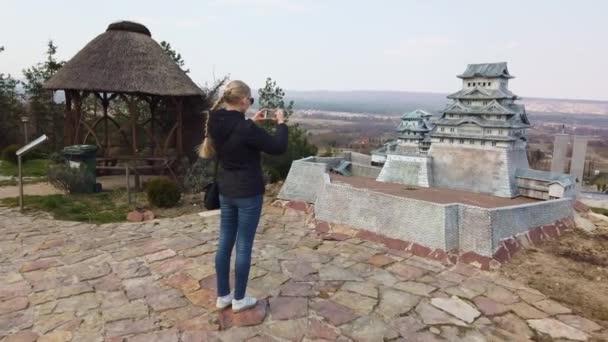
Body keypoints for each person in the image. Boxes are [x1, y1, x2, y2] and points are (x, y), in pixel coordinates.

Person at [199, 80, 288, 312]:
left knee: (225, 241)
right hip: (248, 192)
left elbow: (235, 136)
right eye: (250, 98)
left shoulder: (216, 121)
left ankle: (223, 296)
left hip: (226, 190)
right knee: (244, 244)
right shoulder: (246, 129)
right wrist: (281, 122)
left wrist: (252, 121)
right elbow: (278, 146)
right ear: (242, 101)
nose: (251, 102)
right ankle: (239, 299)